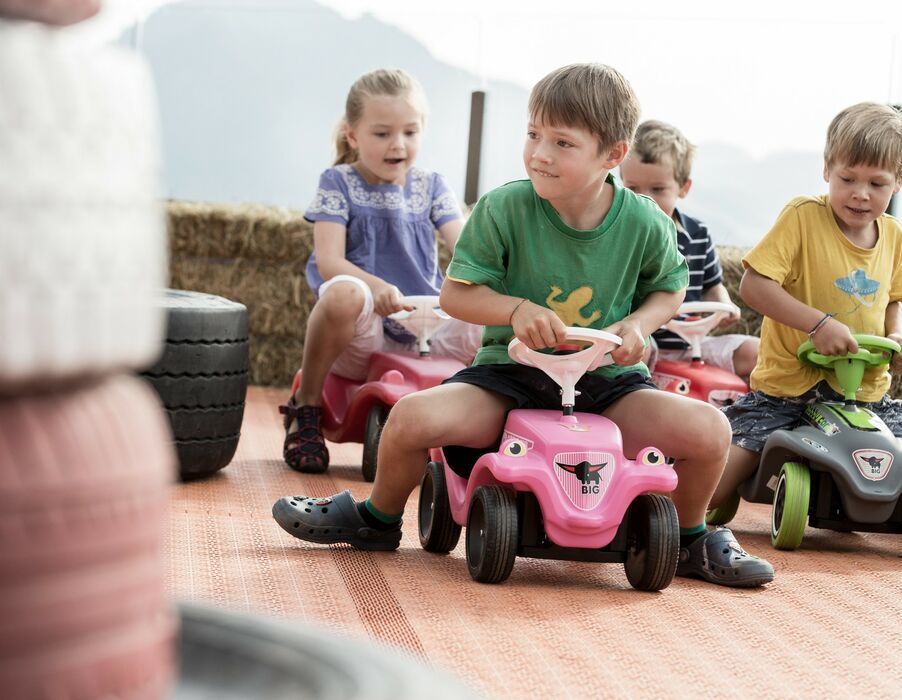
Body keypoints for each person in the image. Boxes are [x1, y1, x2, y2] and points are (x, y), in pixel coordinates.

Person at [273, 63, 775, 588]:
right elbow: (456, 294)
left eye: (562, 142)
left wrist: (638, 324)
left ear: (612, 155)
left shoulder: (646, 221)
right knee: (409, 419)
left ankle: (691, 538)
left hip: (607, 385)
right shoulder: (504, 208)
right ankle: (377, 518)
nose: (539, 153)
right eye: (533, 134)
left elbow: (669, 287)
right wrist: (515, 310)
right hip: (508, 379)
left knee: (713, 429)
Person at [710, 102, 902, 509]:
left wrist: (898, 335)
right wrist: (817, 324)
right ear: (827, 169)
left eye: (877, 184)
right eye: (848, 178)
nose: (860, 194)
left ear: (899, 182)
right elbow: (754, 285)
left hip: (863, 395)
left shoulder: (893, 236)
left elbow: (895, 298)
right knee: (709, 490)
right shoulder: (803, 217)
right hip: (789, 390)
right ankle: (727, 487)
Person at [281, 68, 480, 473]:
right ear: (352, 135)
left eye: (410, 132)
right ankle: (308, 410)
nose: (398, 145)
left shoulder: (433, 185)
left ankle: (484, 422)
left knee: (495, 315)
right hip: (366, 333)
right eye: (382, 133)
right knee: (343, 291)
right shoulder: (337, 182)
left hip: (426, 323)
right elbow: (329, 260)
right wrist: (378, 288)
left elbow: (465, 249)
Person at [619, 119, 758, 382]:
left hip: (694, 343)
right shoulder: (620, 238)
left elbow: (713, 285)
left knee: (757, 352)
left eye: (658, 189)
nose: (645, 199)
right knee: (633, 354)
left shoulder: (697, 235)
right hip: (643, 342)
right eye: (633, 189)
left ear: (683, 188)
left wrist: (724, 305)